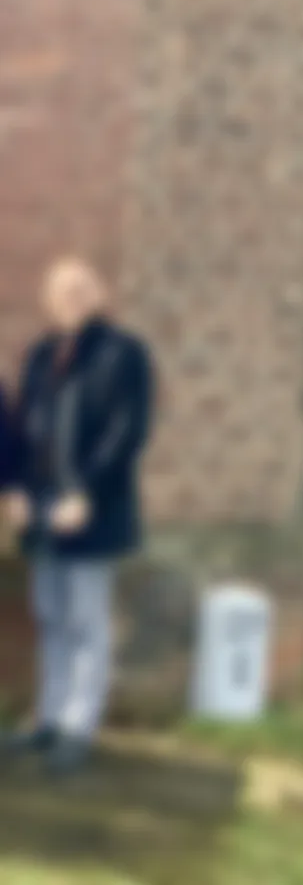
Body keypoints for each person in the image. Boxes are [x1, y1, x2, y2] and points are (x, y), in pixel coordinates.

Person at [2, 258, 154, 776]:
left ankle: (76, 728)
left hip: (92, 513)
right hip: (43, 514)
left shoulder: (122, 353)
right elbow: (23, 429)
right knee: (51, 617)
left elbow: (126, 430)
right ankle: (47, 719)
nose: (69, 299)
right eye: (60, 291)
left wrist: (84, 492)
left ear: (96, 294)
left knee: (87, 622)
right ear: (49, 299)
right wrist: (17, 490)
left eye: (79, 290)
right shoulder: (43, 354)